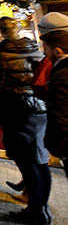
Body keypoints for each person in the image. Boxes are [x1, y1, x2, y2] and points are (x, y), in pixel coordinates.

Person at [0, 17, 50, 224]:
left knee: (26, 159)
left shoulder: (0, 52)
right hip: (39, 106)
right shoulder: (34, 47)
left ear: (2, 32)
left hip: (16, 106)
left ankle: (36, 211)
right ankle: (40, 206)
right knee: (39, 160)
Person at [40, 29, 68, 183]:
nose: (44, 53)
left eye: (46, 49)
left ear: (57, 51)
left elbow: (61, 114)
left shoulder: (61, 75)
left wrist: (61, 147)